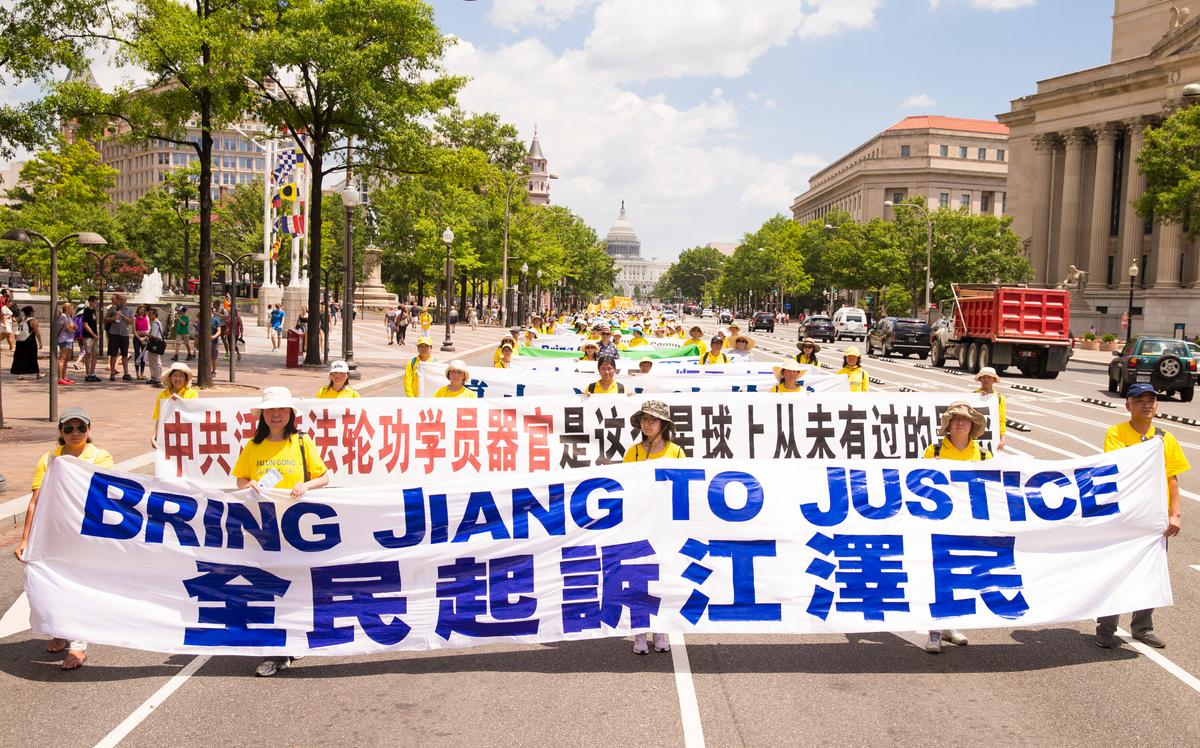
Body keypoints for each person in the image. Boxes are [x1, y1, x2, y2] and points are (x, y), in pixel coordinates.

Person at [232, 387, 329, 677]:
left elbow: (324, 476)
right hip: (263, 527)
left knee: (297, 581)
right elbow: (240, 479)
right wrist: (248, 485)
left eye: (282, 410)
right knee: (270, 584)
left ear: (290, 415)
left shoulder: (302, 442)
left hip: (299, 526)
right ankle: (279, 648)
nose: (276, 415)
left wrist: (306, 486)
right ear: (262, 415)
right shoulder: (253, 446)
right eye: (271, 411)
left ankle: (292, 640)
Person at [14, 406, 113, 670]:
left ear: (89, 430)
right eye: (68, 428)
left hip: (85, 534)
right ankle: (59, 629)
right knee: (49, 584)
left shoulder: (100, 457)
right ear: (60, 432)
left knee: (78, 586)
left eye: (81, 427)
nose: (75, 433)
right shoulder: (48, 459)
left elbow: (104, 499)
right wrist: (25, 539)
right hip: (52, 534)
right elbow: (36, 500)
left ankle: (78, 648)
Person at [1097, 383, 1189, 649]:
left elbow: (1172, 477)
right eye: (1140, 400)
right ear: (1128, 405)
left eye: (1151, 400)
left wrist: (1176, 513)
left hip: (1154, 518)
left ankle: (1143, 627)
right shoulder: (1116, 433)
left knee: (1150, 572)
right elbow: (1118, 468)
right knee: (1117, 572)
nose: (1147, 405)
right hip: (1126, 516)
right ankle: (1106, 627)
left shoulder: (1165, 437)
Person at [921, 401, 991, 653]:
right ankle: (935, 631)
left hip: (968, 523)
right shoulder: (935, 450)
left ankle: (952, 626)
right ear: (948, 424)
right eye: (955, 419)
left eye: (966, 419)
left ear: (973, 425)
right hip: (939, 523)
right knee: (938, 575)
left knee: (962, 574)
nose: (961, 422)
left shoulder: (983, 454)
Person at [623, 399, 684, 655]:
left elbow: (682, 486)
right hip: (639, 523)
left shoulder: (676, 451)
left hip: (665, 524)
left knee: (664, 577)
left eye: (652, 419)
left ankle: (660, 628)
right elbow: (625, 487)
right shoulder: (633, 452)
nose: (647, 424)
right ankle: (639, 631)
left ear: (663, 424)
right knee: (639, 576)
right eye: (644, 420)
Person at [151, 362, 199, 447]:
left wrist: (180, 401)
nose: (177, 379)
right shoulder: (162, 395)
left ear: (186, 379)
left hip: (187, 435)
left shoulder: (193, 394)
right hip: (168, 436)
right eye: (174, 375)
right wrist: (153, 436)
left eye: (181, 376)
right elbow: (159, 418)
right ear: (170, 378)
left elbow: (195, 414)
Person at [974, 366, 1006, 452]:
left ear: (994, 380)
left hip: (992, 435)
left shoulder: (999, 397)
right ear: (980, 379)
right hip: (975, 434)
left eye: (989, 377)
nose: (986, 379)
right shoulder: (973, 395)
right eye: (983, 377)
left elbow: (1001, 419)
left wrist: (1002, 439)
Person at [104, 293, 134, 381]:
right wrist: (113, 318)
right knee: (113, 354)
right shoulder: (112, 309)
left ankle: (126, 373)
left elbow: (131, 322)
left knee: (124, 354)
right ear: (118, 301)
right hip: (114, 334)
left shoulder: (129, 311)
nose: (123, 301)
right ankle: (112, 373)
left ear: (126, 301)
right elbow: (105, 319)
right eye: (121, 300)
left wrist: (122, 316)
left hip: (124, 334)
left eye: (124, 300)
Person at [11, 306, 42, 380]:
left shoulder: (21, 319)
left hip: (20, 341)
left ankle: (21, 374)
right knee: (33, 357)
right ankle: (38, 374)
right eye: (33, 312)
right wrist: (40, 342)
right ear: (31, 312)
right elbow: (37, 333)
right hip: (29, 341)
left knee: (21, 357)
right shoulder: (33, 321)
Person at [55, 302, 77, 386]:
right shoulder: (63, 317)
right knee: (62, 359)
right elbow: (70, 328)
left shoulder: (69, 317)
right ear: (67, 309)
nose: (73, 310)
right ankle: (60, 378)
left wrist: (73, 327)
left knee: (66, 359)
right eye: (72, 309)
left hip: (69, 339)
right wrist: (73, 327)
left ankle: (64, 377)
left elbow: (75, 326)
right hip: (64, 339)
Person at [81, 296, 101, 381]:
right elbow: (85, 325)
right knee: (88, 354)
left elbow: (94, 324)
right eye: (95, 302)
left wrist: (97, 334)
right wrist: (93, 334)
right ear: (90, 302)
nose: (96, 304)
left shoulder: (94, 311)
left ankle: (92, 373)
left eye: (96, 302)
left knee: (95, 354)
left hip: (94, 336)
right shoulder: (87, 311)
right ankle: (88, 374)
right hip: (88, 336)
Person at [145, 307, 165, 386]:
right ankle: (158, 377)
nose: (148, 315)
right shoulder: (158, 322)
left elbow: (153, 335)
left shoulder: (154, 323)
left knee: (153, 361)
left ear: (154, 315)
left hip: (154, 344)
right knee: (157, 361)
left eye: (150, 314)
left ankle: (155, 378)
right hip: (158, 343)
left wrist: (145, 334)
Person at [132, 305, 150, 379]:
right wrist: (140, 338)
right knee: (137, 354)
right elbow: (134, 331)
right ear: (138, 310)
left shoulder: (147, 317)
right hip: (137, 338)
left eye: (143, 309)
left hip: (145, 338)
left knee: (143, 356)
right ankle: (137, 374)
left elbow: (149, 328)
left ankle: (142, 374)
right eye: (140, 309)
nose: (142, 311)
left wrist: (145, 336)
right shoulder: (134, 318)